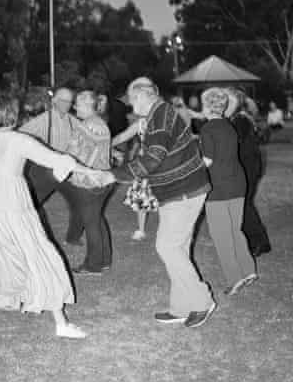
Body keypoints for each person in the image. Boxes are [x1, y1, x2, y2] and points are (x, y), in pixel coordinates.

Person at [0, 94, 101, 339]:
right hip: (14, 204)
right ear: (14, 115)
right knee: (40, 255)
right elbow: (57, 159)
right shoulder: (19, 140)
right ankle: (61, 324)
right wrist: (90, 171)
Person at [99, 77, 217, 328]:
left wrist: (113, 174)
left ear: (143, 95)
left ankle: (202, 301)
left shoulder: (161, 116)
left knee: (168, 247)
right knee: (179, 248)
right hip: (178, 189)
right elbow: (154, 157)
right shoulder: (158, 114)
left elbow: (152, 158)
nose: (131, 106)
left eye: (132, 100)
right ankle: (181, 307)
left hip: (184, 191)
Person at [198, 88, 258, 296]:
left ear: (206, 106)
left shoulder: (207, 129)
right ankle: (248, 269)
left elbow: (207, 161)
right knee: (235, 229)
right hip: (237, 183)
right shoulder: (229, 125)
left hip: (218, 186)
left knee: (221, 235)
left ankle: (235, 278)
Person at [19, 87, 85, 245]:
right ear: (54, 101)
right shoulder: (42, 120)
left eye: (70, 101)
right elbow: (20, 135)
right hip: (44, 170)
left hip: (67, 170)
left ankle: (73, 238)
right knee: (31, 204)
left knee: (80, 203)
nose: (67, 104)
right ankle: (26, 236)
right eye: (63, 101)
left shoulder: (75, 122)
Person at [65, 91, 115, 275]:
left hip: (88, 183)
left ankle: (93, 265)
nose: (74, 107)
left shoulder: (84, 127)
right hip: (104, 180)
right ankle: (105, 260)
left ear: (87, 105)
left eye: (77, 104)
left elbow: (71, 153)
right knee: (97, 220)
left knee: (91, 223)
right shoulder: (101, 124)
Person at [225, 88, 271, 257]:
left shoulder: (241, 120)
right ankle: (257, 240)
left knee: (243, 203)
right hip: (247, 165)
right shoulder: (237, 118)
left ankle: (258, 241)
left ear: (237, 103)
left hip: (247, 167)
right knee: (244, 203)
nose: (225, 104)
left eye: (229, 101)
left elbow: (233, 142)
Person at [112, 111, 148, 240]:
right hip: (145, 165)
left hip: (163, 164)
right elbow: (123, 137)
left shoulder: (167, 119)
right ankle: (141, 229)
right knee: (141, 195)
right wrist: (105, 144)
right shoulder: (141, 122)